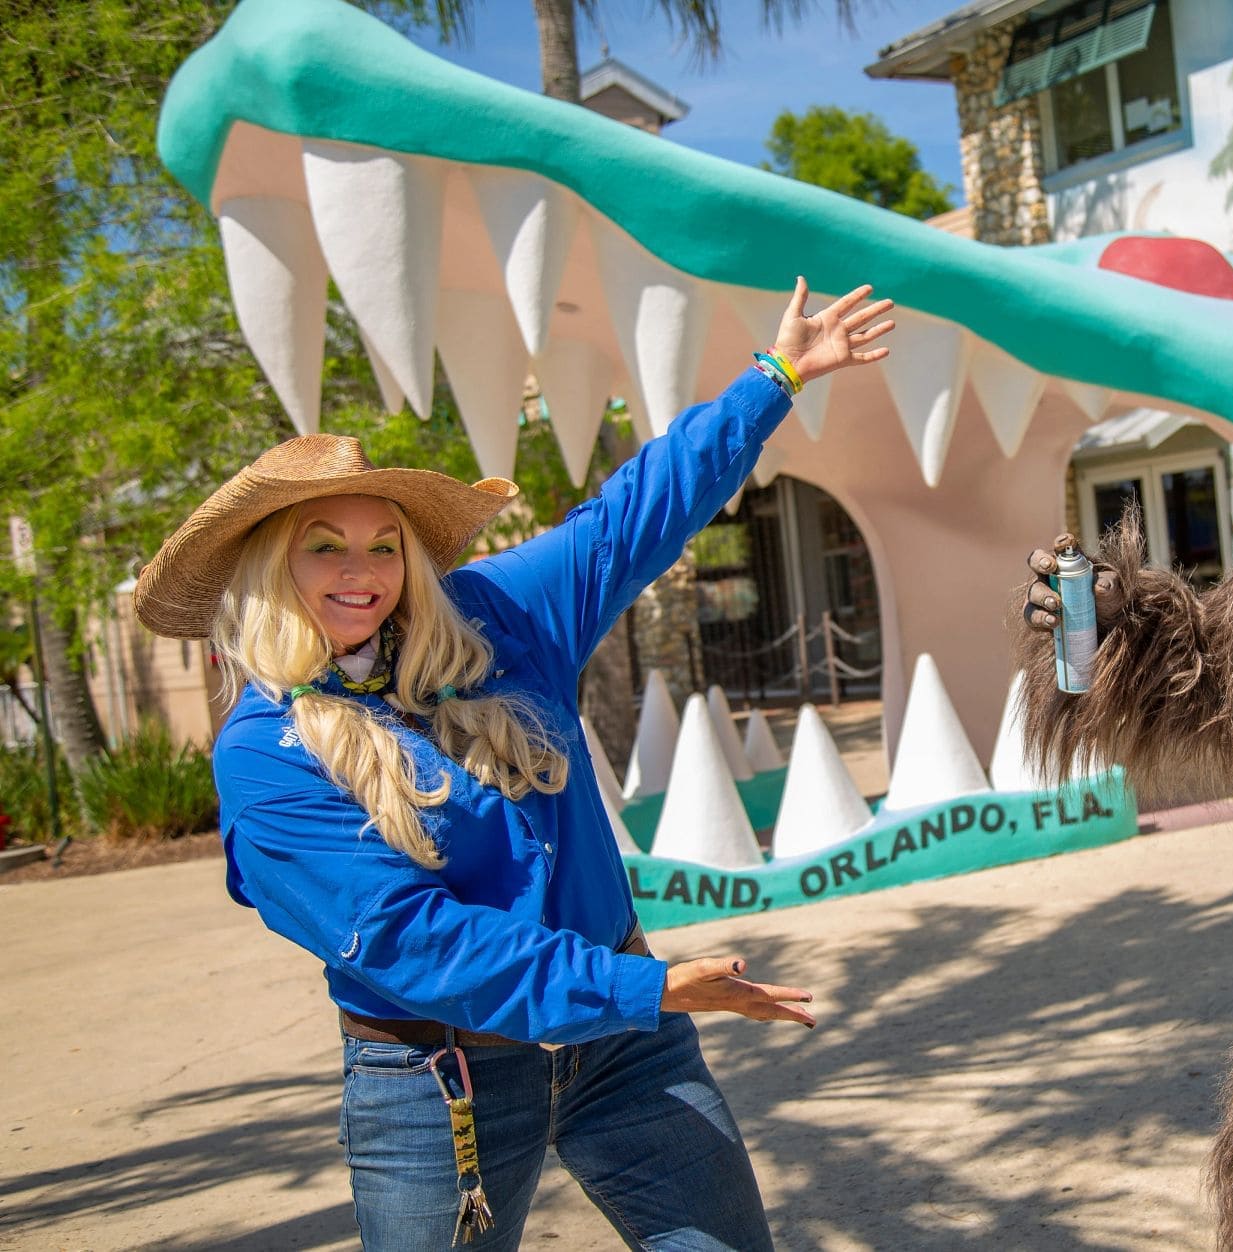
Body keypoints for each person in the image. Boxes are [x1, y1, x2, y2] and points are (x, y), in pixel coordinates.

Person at [133, 278, 894, 1251]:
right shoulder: (262, 753)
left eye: (382, 544)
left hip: (626, 1049)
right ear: (268, 569)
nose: (359, 572)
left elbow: (631, 518)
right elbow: (419, 943)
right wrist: (647, 990)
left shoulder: (496, 616)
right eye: (322, 548)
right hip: (439, 1085)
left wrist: (774, 376)